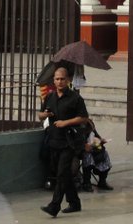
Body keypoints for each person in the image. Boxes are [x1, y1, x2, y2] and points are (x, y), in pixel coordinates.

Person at [39, 64, 89, 216]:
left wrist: (65, 122)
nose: (59, 81)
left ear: (67, 80)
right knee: (64, 174)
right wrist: (45, 115)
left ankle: (54, 206)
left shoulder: (75, 98)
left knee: (61, 173)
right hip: (54, 140)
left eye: (62, 79)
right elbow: (40, 115)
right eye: (57, 79)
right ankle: (74, 202)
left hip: (70, 141)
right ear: (53, 81)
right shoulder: (50, 96)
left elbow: (84, 118)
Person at [81, 119, 113, 192]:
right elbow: (76, 141)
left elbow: (97, 136)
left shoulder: (89, 123)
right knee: (88, 156)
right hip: (82, 150)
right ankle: (87, 183)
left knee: (105, 154)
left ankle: (102, 181)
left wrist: (101, 140)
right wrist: (83, 145)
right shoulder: (78, 126)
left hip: (94, 149)